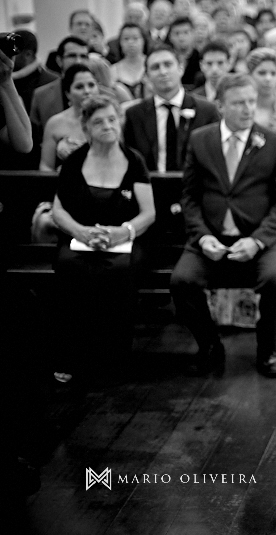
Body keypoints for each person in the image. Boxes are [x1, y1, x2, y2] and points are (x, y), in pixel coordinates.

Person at [170, 73, 276, 378]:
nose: (248, 109)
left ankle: (267, 350)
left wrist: (257, 240)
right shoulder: (201, 139)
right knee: (181, 281)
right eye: (239, 103)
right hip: (210, 238)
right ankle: (210, 345)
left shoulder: (274, 142)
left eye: (251, 102)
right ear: (220, 106)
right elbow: (189, 196)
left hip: (260, 239)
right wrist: (201, 238)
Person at [50, 94, 155, 382]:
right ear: (86, 128)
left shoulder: (134, 161)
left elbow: (148, 214)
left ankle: (112, 359)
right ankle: (70, 357)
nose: (108, 126)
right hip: (80, 238)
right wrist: (80, 232)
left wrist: (123, 231)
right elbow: (58, 212)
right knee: (70, 266)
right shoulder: (75, 161)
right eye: (99, 122)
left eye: (112, 119)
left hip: (124, 240)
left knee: (119, 271)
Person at [122, 44, 219, 172]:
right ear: (146, 76)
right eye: (155, 67)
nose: (163, 72)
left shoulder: (206, 111)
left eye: (168, 65)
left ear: (181, 68)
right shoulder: (134, 115)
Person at [39, 63, 98, 171]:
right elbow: (46, 166)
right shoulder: (54, 123)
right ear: (68, 93)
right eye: (79, 87)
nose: (87, 91)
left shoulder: (108, 119)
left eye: (91, 85)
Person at [31, 37, 90, 130]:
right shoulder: (41, 96)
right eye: (72, 56)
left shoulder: (104, 94)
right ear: (59, 60)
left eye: (83, 56)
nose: (79, 61)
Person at [109, 23, 149, 100]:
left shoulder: (153, 65)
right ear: (120, 42)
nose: (130, 42)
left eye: (135, 38)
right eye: (126, 39)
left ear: (144, 41)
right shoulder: (113, 70)